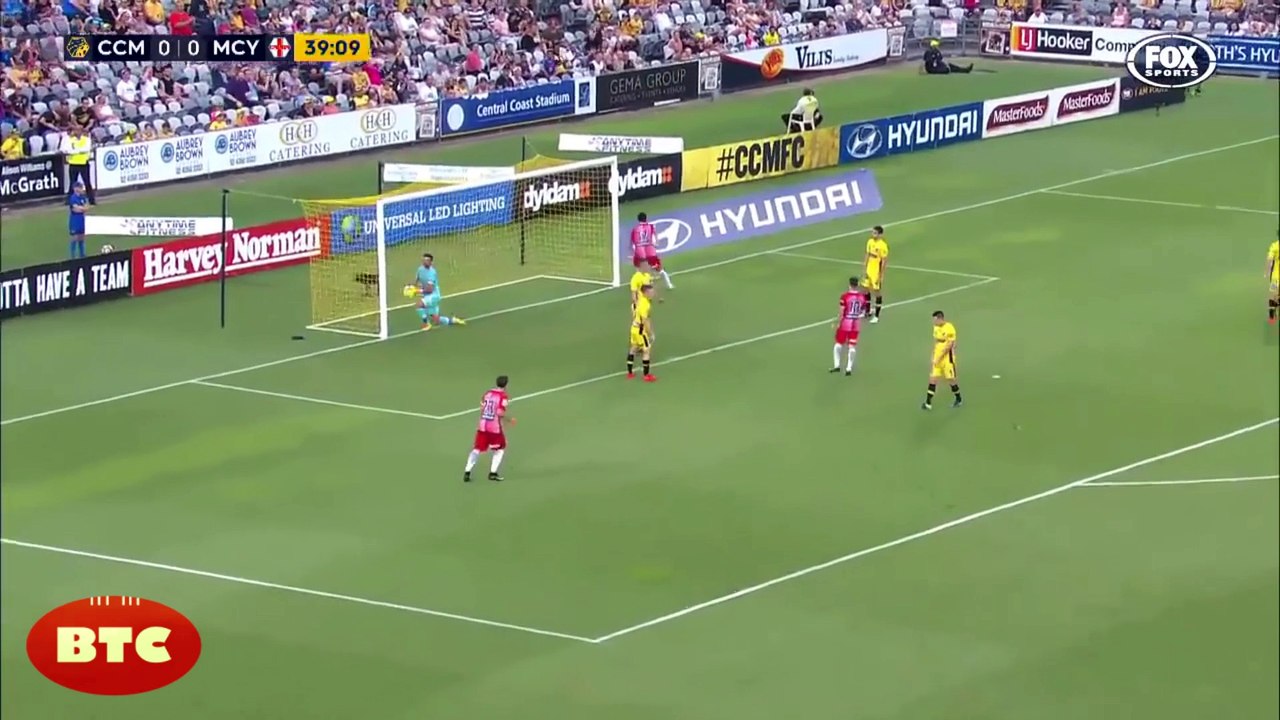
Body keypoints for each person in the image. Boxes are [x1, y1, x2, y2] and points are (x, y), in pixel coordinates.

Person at [464, 376, 513, 482]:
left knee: (477, 449)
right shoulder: (503, 397)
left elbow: (482, 407)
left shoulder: (488, 393)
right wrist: (508, 420)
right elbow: (500, 412)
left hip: (482, 425)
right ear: (506, 385)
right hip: (494, 427)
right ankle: (493, 473)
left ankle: (467, 472)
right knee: (500, 448)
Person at [413, 253, 465, 331]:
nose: (425, 261)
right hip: (427, 295)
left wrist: (417, 291)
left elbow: (430, 289)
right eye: (424, 260)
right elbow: (416, 280)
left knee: (418, 305)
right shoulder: (420, 269)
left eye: (427, 260)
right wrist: (410, 287)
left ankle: (426, 323)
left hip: (434, 295)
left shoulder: (432, 273)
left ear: (431, 262)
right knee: (436, 319)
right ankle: (453, 320)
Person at [831, 277, 871, 376]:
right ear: (857, 285)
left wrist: (837, 322)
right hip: (856, 323)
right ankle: (849, 368)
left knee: (838, 344)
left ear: (849, 284)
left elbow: (841, 312)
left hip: (846, 322)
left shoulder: (845, 297)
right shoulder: (862, 297)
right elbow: (864, 311)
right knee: (852, 346)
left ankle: (837, 366)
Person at [922, 310, 962, 410]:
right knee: (933, 379)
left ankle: (958, 398)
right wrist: (933, 355)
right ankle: (928, 403)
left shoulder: (949, 328)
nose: (934, 322)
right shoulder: (936, 328)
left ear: (940, 319)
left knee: (951, 379)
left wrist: (939, 358)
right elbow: (936, 342)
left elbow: (949, 346)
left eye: (935, 320)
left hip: (947, 358)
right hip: (937, 357)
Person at [631, 212, 673, 289]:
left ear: (638, 219)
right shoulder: (650, 226)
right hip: (650, 251)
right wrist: (656, 243)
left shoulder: (635, 229)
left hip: (640, 252)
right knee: (660, 269)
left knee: (638, 269)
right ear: (646, 218)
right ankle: (669, 284)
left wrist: (634, 251)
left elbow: (633, 242)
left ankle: (639, 285)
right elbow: (655, 235)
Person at [627, 284, 657, 382]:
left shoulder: (639, 300)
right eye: (651, 292)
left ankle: (630, 373)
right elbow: (645, 320)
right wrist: (650, 333)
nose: (653, 294)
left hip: (634, 327)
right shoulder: (645, 304)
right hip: (640, 330)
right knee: (646, 350)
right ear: (645, 293)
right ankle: (646, 375)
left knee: (634, 347)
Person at [862, 225, 889, 323]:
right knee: (865, 289)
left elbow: (884, 261)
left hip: (876, 271)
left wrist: (881, 275)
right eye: (872, 232)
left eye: (875, 233)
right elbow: (867, 255)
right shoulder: (870, 242)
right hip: (869, 269)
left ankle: (876, 316)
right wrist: (864, 268)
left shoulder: (883, 245)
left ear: (880, 234)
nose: (873, 234)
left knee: (877, 292)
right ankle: (867, 310)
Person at [61, 126, 94, 205]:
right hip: (73, 163)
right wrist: (78, 151)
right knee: (72, 182)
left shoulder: (86, 139)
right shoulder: (70, 140)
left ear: (81, 131)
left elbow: (86, 149)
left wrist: (75, 151)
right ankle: (69, 200)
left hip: (83, 163)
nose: (76, 132)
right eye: (75, 130)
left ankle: (91, 200)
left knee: (87, 182)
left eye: (78, 130)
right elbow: (66, 150)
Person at [68, 180, 88, 258]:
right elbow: (75, 209)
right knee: (74, 238)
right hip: (74, 220)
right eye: (80, 187)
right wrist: (82, 208)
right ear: (75, 188)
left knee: (81, 237)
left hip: (82, 219)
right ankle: (72, 256)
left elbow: (86, 207)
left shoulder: (83, 197)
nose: (81, 189)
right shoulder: (73, 198)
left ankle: (82, 255)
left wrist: (81, 208)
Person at [1267, 232, 1278, 324]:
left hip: (1275, 277)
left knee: (1273, 295)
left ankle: (1271, 316)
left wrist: (1267, 272)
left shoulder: (1274, 246)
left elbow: (1270, 260)